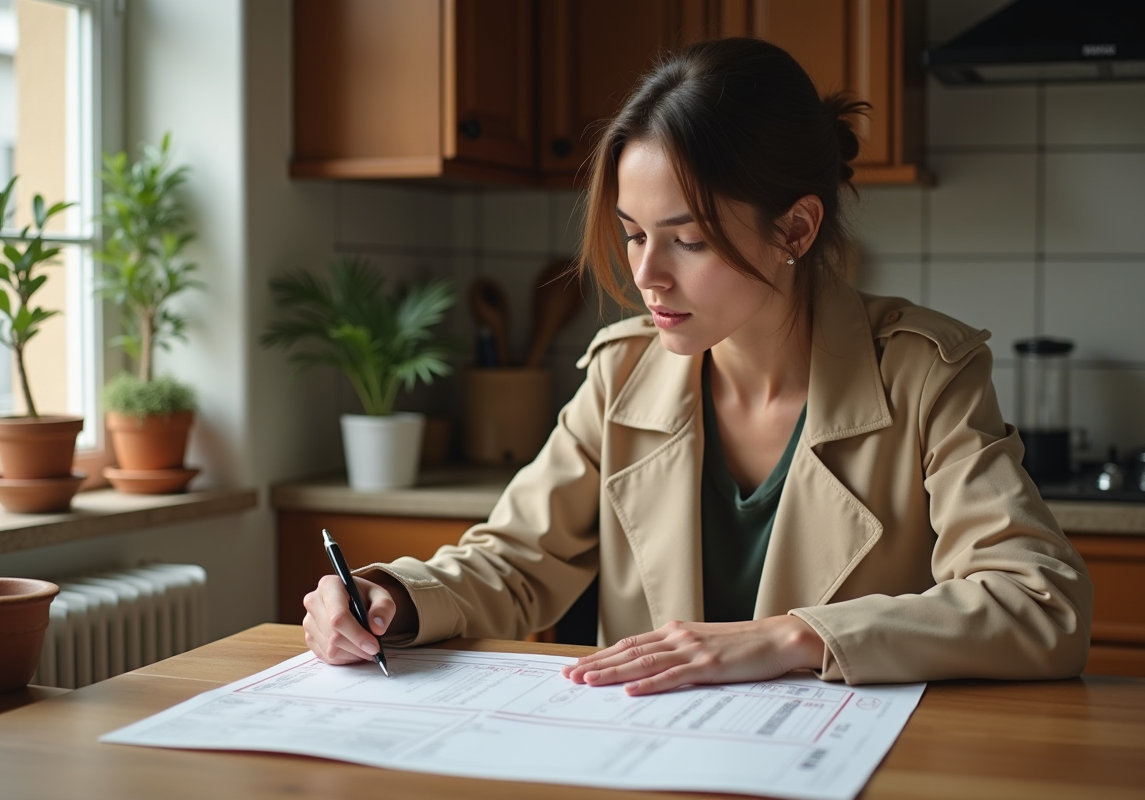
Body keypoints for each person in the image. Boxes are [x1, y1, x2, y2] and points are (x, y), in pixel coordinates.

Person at [303, 37, 1092, 694]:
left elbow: (1040, 603)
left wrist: (790, 637)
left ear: (796, 229)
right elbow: (513, 561)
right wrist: (390, 600)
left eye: (688, 239)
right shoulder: (621, 375)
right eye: (634, 234)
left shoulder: (926, 375)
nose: (647, 276)